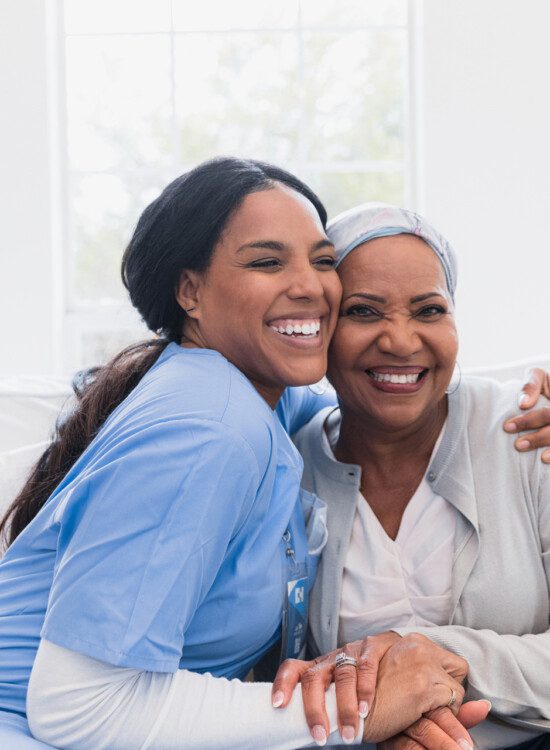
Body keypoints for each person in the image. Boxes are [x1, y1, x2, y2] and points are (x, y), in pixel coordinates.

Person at [0, 160, 487, 750]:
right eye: (266, 261)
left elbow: (385, 392)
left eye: (323, 260)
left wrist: (519, 400)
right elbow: (78, 708)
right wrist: (359, 710)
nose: (311, 286)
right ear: (190, 292)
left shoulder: (258, 397)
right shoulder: (209, 428)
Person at [288, 203, 550, 749]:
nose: (402, 341)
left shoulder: (527, 432)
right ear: (321, 327)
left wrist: (433, 656)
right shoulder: (290, 468)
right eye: (364, 312)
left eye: (429, 310)